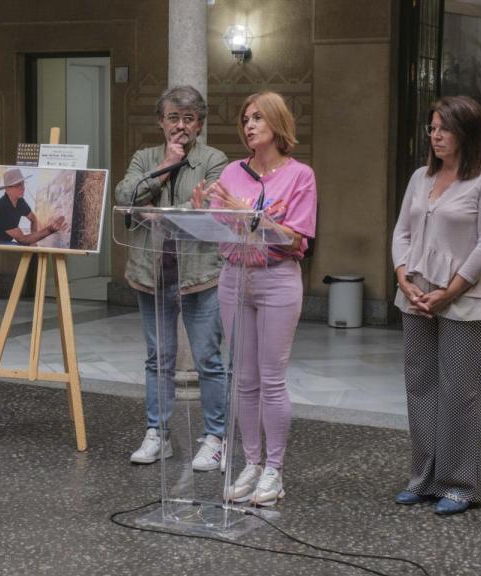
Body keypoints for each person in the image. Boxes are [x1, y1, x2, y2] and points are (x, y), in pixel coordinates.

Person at [391, 95, 481, 515]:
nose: (435, 135)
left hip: (465, 298)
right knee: (420, 386)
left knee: (459, 391)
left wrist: (449, 290)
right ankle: (423, 477)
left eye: (444, 128)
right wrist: (404, 277)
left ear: (467, 132)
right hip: (417, 294)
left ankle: (460, 484)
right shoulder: (421, 177)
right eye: (432, 128)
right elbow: (401, 231)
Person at [201, 91, 316, 506]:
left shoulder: (300, 175)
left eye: (258, 119)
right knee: (244, 380)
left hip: (276, 279)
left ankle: (274, 471)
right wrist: (200, 211)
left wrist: (251, 217)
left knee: (271, 379)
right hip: (233, 277)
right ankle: (250, 464)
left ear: (277, 125)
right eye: (245, 118)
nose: (249, 125)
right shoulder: (232, 172)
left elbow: (295, 238)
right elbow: (216, 227)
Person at [114, 85, 228, 471]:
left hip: (200, 273)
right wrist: (165, 164)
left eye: (189, 119)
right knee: (157, 358)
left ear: (200, 124)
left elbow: (206, 212)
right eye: (173, 118)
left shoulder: (215, 160)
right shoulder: (145, 157)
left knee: (207, 359)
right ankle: (156, 434)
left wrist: (155, 209)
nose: (181, 126)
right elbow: (126, 194)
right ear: (161, 121)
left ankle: (215, 438)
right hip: (152, 273)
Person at [0, 167, 68, 245]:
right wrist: (50, 230)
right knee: (21, 246)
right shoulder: (1, 208)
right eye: (18, 185)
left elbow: (33, 219)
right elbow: (22, 239)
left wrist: (33, 241)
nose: (23, 188)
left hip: (6, 240)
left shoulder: (20, 201)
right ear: (7, 189)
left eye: (23, 184)